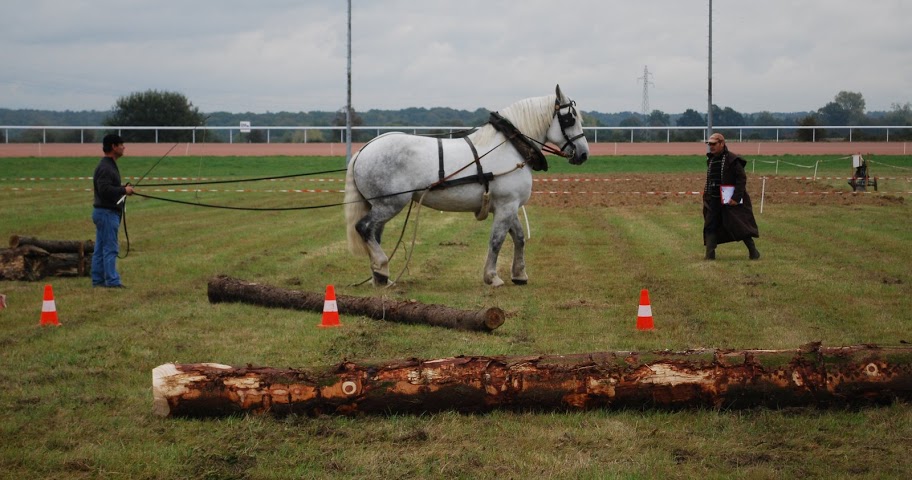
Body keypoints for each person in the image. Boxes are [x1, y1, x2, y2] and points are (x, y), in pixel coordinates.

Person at [702, 132, 760, 260]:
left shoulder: (733, 159)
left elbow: (741, 179)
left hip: (730, 200)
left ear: (722, 144)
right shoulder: (711, 160)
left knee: (739, 226)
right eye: (709, 144)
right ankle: (709, 256)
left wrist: (736, 197)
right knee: (710, 225)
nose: (711, 147)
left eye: (713, 144)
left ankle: (753, 251)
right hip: (714, 200)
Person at [91, 134, 134, 288]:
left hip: (103, 212)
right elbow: (104, 190)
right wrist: (124, 190)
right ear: (113, 147)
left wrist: (123, 189)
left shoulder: (108, 165)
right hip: (106, 213)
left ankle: (98, 280)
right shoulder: (105, 167)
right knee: (110, 248)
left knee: (100, 248)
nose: (124, 147)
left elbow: (108, 187)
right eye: (121, 144)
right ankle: (112, 281)